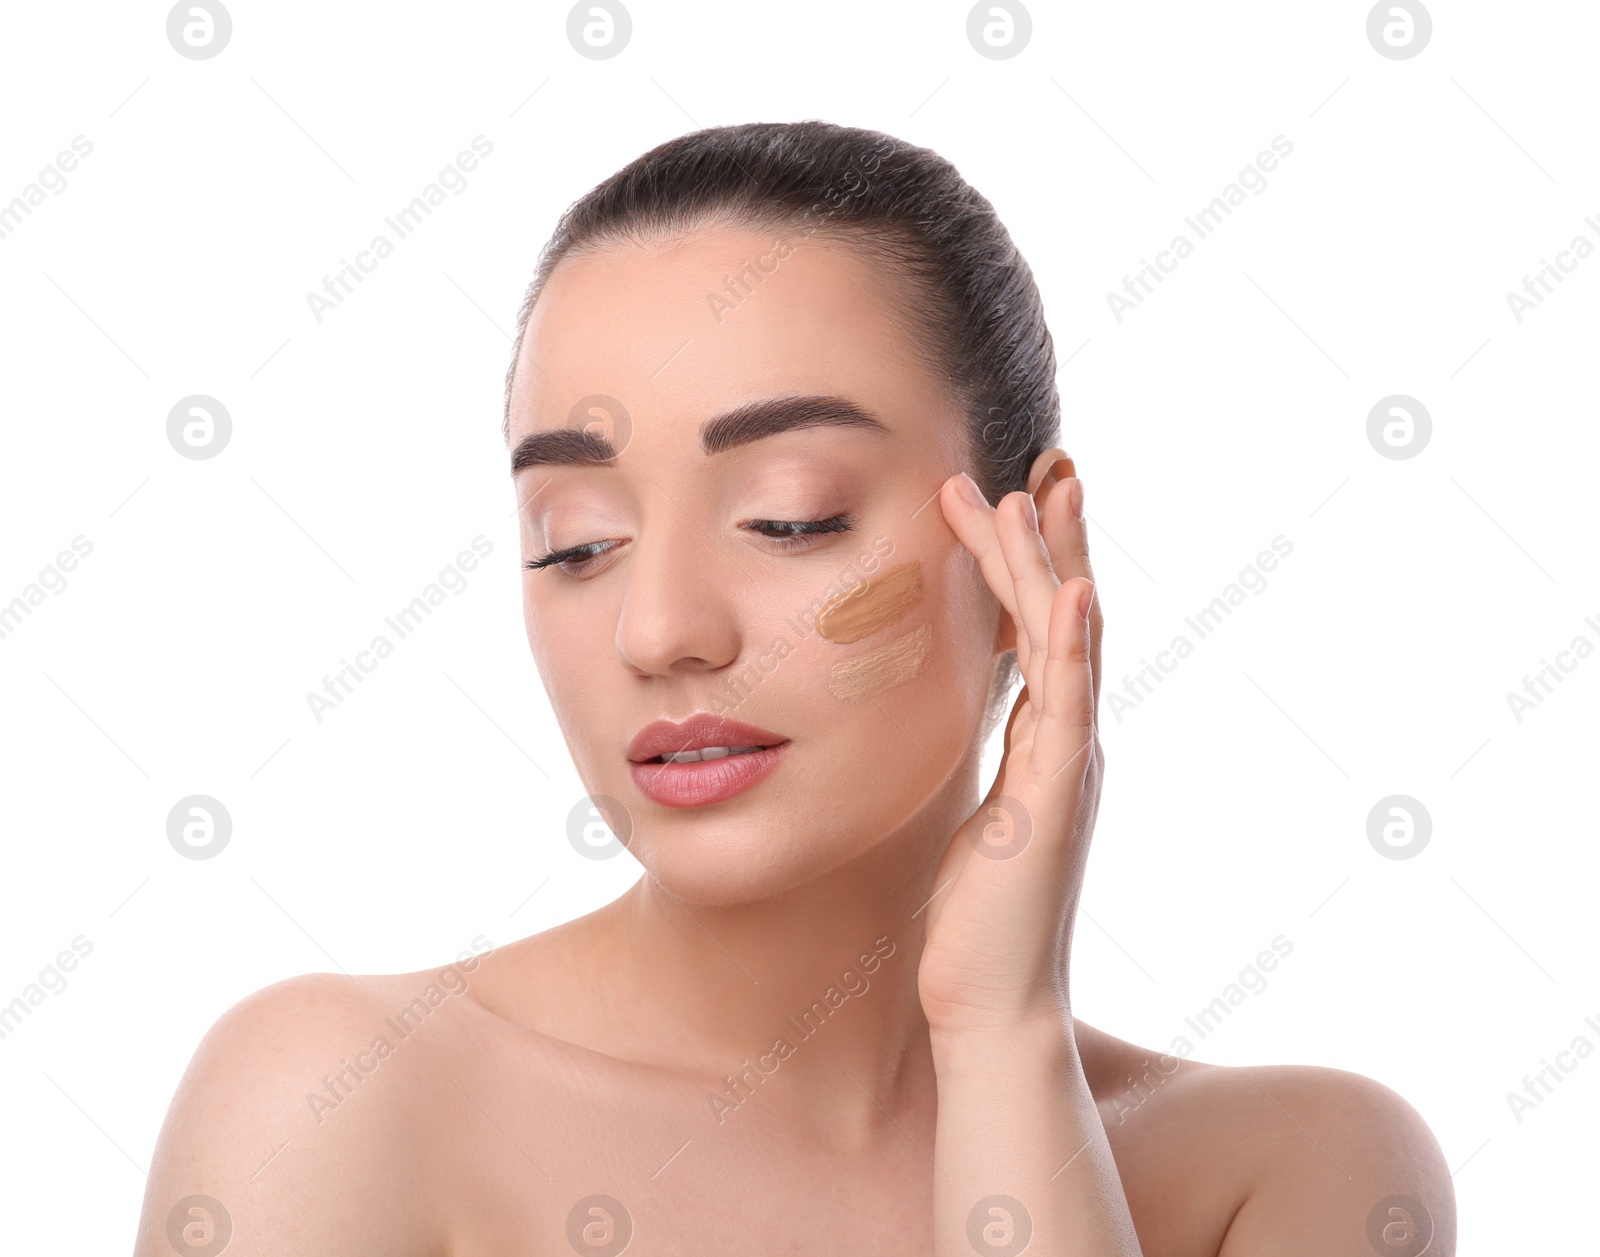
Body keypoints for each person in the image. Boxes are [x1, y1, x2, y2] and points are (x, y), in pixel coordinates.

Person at [134, 120, 1455, 1256]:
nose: (661, 629)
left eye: (789, 517)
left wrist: (1002, 1033)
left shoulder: (1296, 1171)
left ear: (1025, 552)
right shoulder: (336, 1098)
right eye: (576, 543)